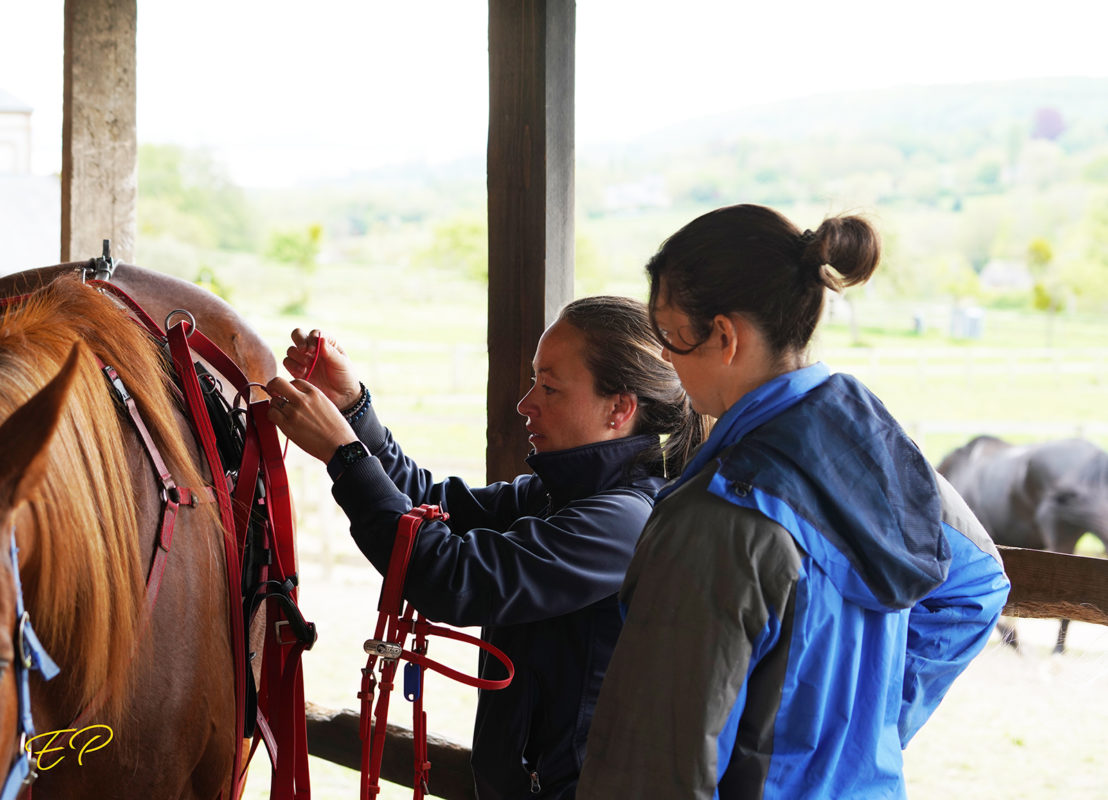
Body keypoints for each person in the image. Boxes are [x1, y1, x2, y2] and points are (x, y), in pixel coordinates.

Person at [576, 205, 1011, 799]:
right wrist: (869, 731)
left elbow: (651, 766)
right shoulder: (879, 448)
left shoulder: (717, 516)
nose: (668, 361)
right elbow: (977, 586)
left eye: (672, 337)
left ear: (725, 337)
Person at [265, 295, 708, 799]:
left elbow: (451, 578)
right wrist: (353, 409)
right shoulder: (557, 494)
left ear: (620, 408)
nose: (526, 403)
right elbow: (428, 504)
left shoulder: (623, 522)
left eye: (550, 387)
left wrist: (345, 455)